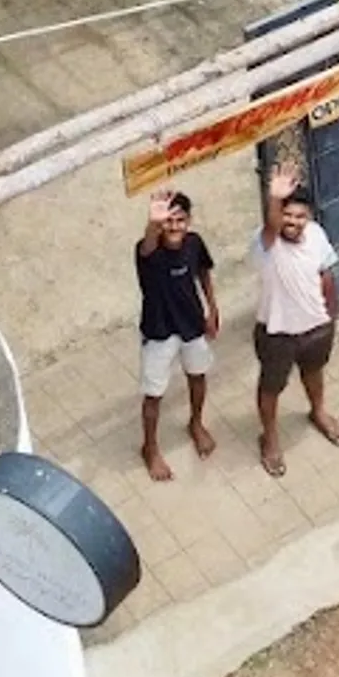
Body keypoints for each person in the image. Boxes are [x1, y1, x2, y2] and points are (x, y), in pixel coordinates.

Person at [250, 167, 339, 477]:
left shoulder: (316, 234)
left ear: (309, 217)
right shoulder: (267, 243)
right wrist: (275, 198)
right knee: (271, 387)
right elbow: (271, 225)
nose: (292, 222)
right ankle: (271, 438)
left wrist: (329, 314)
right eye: (287, 215)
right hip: (277, 334)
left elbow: (326, 272)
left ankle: (318, 412)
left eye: (299, 216)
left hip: (317, 328)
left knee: (314, 372)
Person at [131, 192, 219, 482]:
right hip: (159, 331)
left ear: (188, 222)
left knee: (198, 376)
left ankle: (196, 423)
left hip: (192, 324)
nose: (174, 226)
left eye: (180, 220)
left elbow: (204, 273)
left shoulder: (194, 244)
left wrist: (212, 309)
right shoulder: (148, 252)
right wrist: (151, 224)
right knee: (153, 394)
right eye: (168, 221)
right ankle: (150, 447)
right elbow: (146, 246)